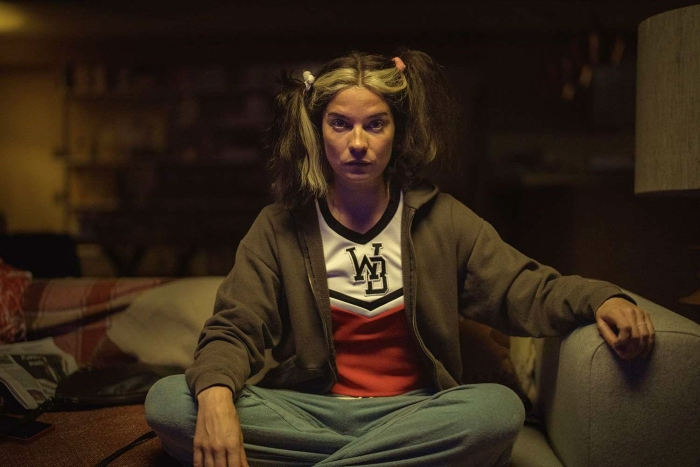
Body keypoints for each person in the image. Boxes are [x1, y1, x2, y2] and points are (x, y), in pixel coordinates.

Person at [145, 48, 655, 467]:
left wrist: (600, 298)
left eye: (376, 124)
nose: (358, 143)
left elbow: (526, 289)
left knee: (497, 410)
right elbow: (234, 327)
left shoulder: (445, 220)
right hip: (310, 412)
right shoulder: (278, 226)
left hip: (414, 413)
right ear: (318, 131)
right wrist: (216, 395)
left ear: (398, 130)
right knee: (170, 401)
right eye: (340, 124)